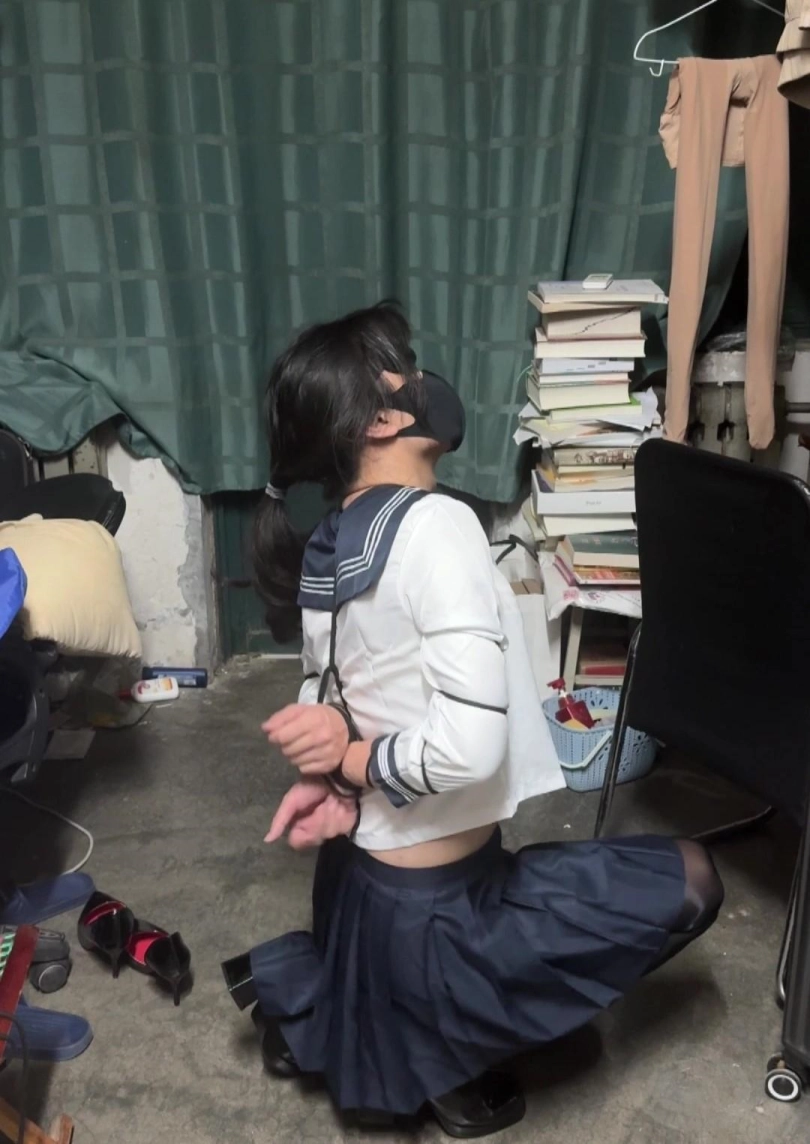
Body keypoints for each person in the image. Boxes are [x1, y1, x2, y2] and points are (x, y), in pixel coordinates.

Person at [221, 301, 724, 1137]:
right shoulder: (437, 525)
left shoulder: (335, 536)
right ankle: (446, 1047)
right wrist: (348, 766)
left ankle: (401, 1025)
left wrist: (338, 779)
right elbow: (468, 746)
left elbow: (334, 689)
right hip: (436, 915)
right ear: (381, 418)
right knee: (695, 880)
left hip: (362, 887)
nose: (422, 378)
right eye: (404, 368)